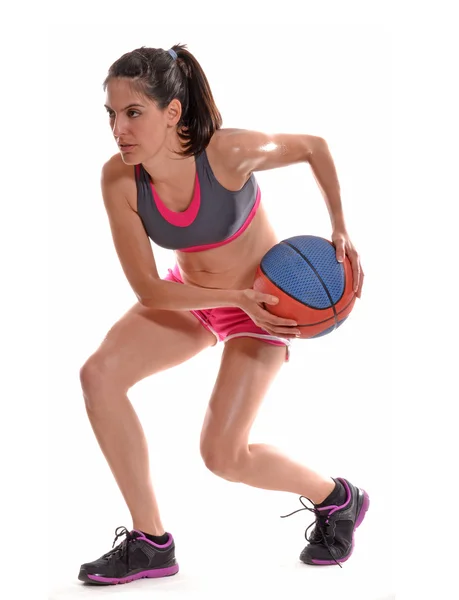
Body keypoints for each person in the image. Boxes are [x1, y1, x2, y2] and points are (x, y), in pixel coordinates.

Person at [78, 44, 368, 586]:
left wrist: (340, 227)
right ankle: (150, 543)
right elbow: (147, 289)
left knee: (224, 456)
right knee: (99, 376)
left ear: (172, 113)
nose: (119, 128)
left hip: (265, 311)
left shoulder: (227, 154)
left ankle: (338, 498)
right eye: (111, 114)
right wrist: (227, 299)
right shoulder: (120, 180)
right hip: (192, 298)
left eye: (133, 113)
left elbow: (314, 148)